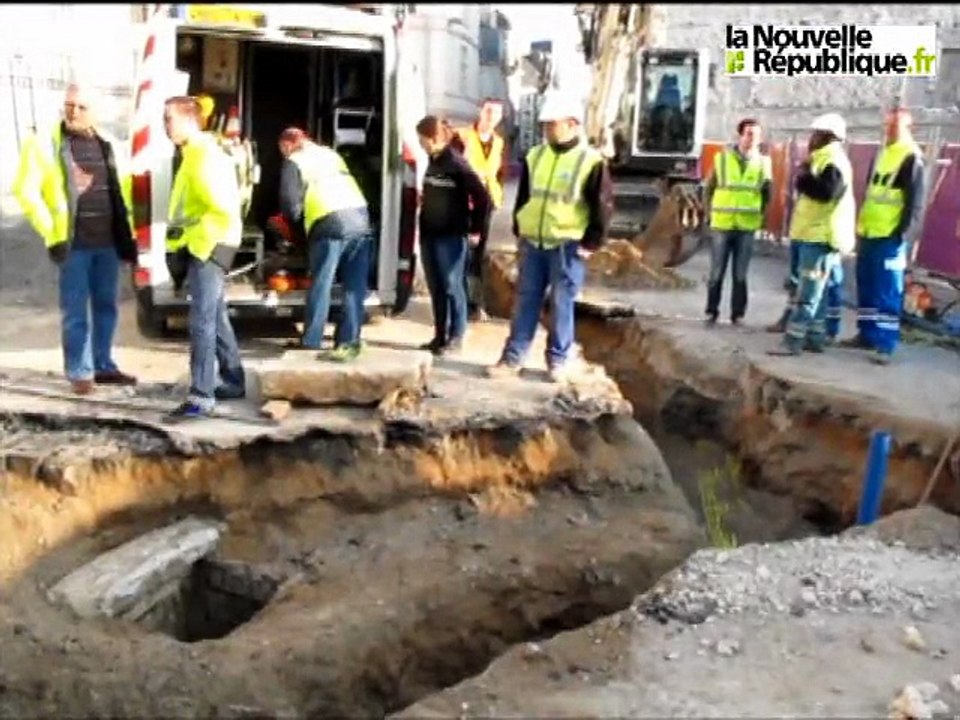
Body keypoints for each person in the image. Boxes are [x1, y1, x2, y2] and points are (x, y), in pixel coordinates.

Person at [12, 82, 138, 395]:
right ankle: (80, 372)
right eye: (69, 105)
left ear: (95, 112)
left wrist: (131, 234)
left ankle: (103, 365)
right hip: (73, 243)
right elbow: (24, 191)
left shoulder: (108, 143)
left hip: (107, 242)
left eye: (81, 107)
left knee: (107, 306)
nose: (73, 112)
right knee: (75, 310)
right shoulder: (43, 144)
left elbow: (123, 192)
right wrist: (50, 229)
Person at [487, 90, 613, 382]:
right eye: (545, 124)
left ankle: (558, 359)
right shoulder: (536, 156)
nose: (547, 129)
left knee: (561, 303)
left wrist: (591, 243)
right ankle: (512, 358)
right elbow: (524, 198)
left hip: (567, 246)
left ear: (572, 124)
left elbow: (602, 206)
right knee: (526, 300)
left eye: (552, 124)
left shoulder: (590, 161)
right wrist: (520, 229)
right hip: (533, 242)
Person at [162, 96, 246, 421]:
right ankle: (234, 380)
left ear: (189, 120)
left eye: (169, 118)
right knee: (216, 315)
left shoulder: (202, 155)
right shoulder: (197, 152)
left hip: (208, 245)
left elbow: (221, 204)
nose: (165, 125)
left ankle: (201, 395)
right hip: (208, 243)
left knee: (202, 321)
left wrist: (197, 240)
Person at [277, 127, 372, 361]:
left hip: (329, 222)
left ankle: (311, 340)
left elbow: (290, 206)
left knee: (322, 283)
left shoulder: (294, 160)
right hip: (360, 219)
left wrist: (294, 233)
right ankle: (348, 341)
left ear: (287, 145)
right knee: (354, 286)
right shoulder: (330, 154)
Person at [840, 107, 924, 365]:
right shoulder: (883, 153)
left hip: (890, 236)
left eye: (894, 126)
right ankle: (866, 334)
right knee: (866, 285)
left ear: (908, 127)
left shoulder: (910, 157)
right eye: (886, 125)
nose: (888, 130)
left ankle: (885, 344)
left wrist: (903, 235)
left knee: (888, 290)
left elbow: (914, 202)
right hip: (870, 231)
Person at [768, 113, 855, 357]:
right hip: (812, 235)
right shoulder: (825, 158)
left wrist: (803, 177)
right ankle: (815, 338)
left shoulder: (833, 160)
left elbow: (826, 192)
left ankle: (792, 342)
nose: (811, 139)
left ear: (828, 136)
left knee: (808, 292)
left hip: (821, 236)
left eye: (815, 134)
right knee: (817, 291)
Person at [415, 115, 490, 356]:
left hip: (451, 235)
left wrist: (476, 230)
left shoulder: (456, 163)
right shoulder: (433, 161)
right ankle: (440, 335)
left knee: (452, 284)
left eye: (422, 139)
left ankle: (457, 335)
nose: (420, 144)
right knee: (436, 286)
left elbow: (482, 198)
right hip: (430, 233)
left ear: (434, 138)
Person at [702, 118, 772, 326]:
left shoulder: (763, 163)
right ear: (740, 135)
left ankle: (737, 314)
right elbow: (709, 188)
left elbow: (768, 193)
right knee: (717, 271)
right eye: (749, 134)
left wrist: (762, 216)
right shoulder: (722, 160)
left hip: (746, 225)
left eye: (756, 135)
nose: (752, 138)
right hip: (722, 224)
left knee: (740, 273)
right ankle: (711, 311)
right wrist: (708, 213)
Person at [451, 98, 508, 322]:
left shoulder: (499, 143)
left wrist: (497, 195)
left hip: (486, 203)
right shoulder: (463, 137)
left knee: (478, 255)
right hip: (464, 202)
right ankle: (460, 300)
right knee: (461, 252)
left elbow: (500, 172)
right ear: (481, 112)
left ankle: (474, 303)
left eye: (496, 113)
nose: (491, 117)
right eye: (488, 111)